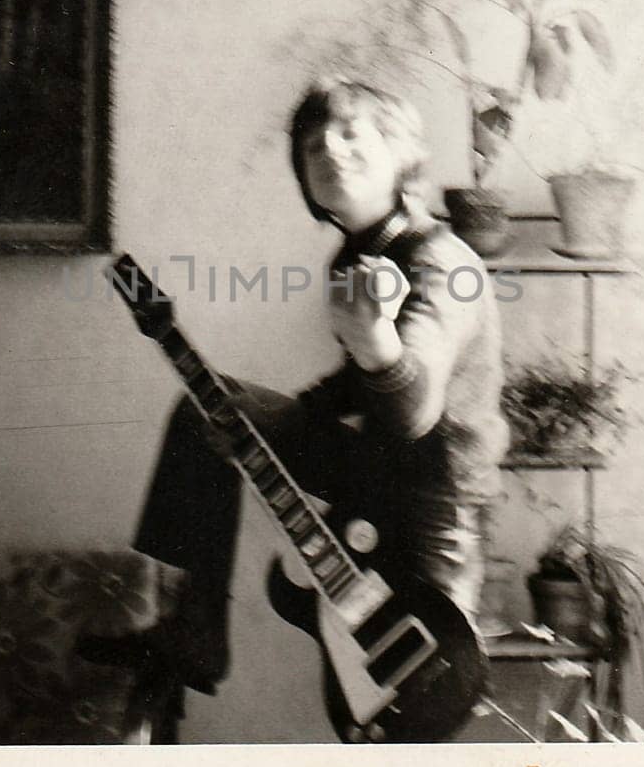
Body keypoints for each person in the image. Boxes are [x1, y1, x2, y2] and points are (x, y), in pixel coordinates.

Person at [83, 77, 509, 718]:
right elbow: (357, 387)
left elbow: (414, 413)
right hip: (375, 470)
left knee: (411, 715)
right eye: (311, 146)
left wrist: (375, 348)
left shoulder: (444, 262)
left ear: (400, 153)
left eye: (348, 132)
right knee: (211, 410)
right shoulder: (360, 256)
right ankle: (191, 628)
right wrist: (287, 418)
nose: (328, 151)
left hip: (433, 505)